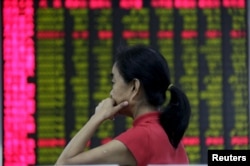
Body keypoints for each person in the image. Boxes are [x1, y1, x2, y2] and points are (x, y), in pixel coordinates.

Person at [56, 45, 191, 166]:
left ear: (134, 87)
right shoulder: (171, 135)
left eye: (114, 82)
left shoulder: (141, 137)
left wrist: (97, 117)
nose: (111, 92)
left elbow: (64, 163)